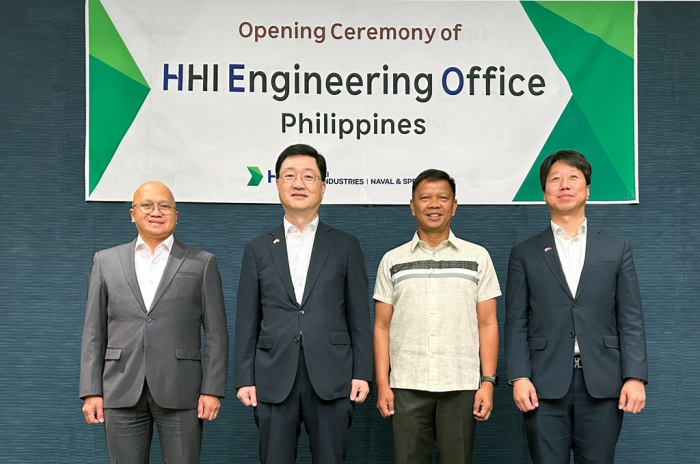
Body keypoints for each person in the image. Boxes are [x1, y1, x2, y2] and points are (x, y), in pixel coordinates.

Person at [505, 150, 648, 464]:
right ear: (545, 193)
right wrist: (519, 377)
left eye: (573, 178)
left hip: (603, 383)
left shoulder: (616, 247)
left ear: (587, 189)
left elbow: (631, 318)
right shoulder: (524, 252)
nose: (564, 185)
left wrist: (634, 377)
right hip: (542, 386)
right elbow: (515, 321)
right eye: (555, 179)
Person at [234, 144, 372, 464]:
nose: (299, 183)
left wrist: (361, 373)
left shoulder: (345, 245)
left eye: (309, 176)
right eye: (290, 176)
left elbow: (358, 317)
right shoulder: (257, 248)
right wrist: (244, 377)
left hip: (333, 377)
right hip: (272, 377)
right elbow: (246, 319)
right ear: (278, 183)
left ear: (323, 187)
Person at [79, 181, 229, 464]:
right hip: (120, 389)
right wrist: (91, 391)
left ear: (176, 214)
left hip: (182, 390)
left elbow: (216, 333)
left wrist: (212, 389)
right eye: (146, 205)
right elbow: (93, 332)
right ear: (132, 214)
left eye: (165, 206)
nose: (156, 212)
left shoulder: (202, 262)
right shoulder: (105, 261)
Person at [373, 169, 501, 464]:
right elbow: (381, 326)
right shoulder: (393, 260)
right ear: (412, 205)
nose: (434, 204)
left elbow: (488, 322)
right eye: (425, 198)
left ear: (454, 206)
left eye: (443, 198)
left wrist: (488, 382)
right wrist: (383, 384)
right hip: (406, 384)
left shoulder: (477, 257)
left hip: (461, 384)